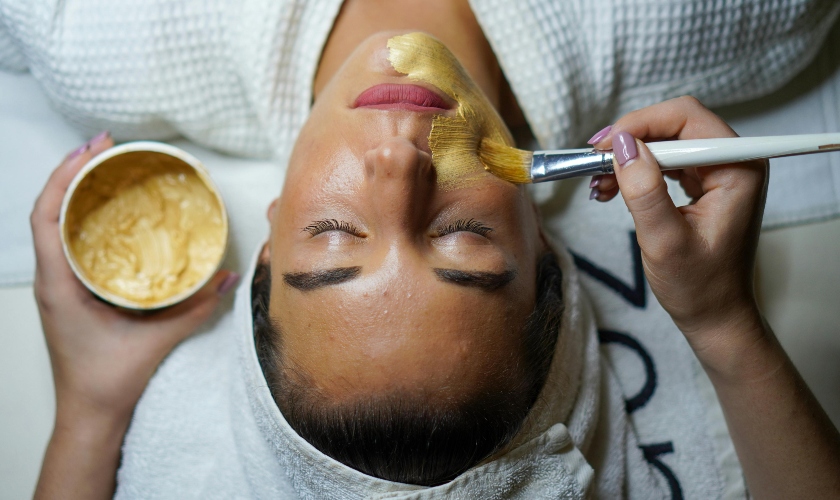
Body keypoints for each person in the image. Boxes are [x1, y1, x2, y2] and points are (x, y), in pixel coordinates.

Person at [8, 0, 840, 498]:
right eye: (461, 235)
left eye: (335, 234)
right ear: (543, 238)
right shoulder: (740, 17)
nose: (399, 165)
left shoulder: (86, 30)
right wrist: (725, 324)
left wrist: (86, 407)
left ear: (266, 237)